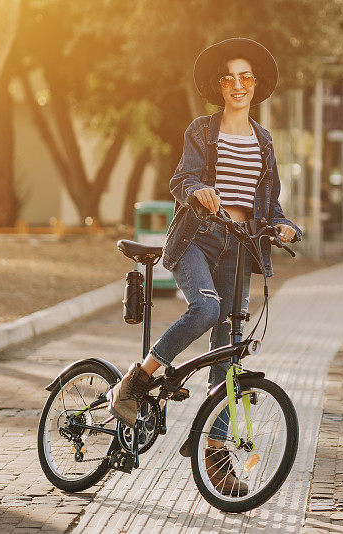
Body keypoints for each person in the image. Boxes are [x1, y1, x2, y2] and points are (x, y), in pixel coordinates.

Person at [106, 38, 301, 494]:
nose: (238, 85)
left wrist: (286, 226)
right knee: (207, 309)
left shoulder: (264, 140)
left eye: (246, 77)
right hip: (198, 237)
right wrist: (198, 191)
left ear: (257, 85)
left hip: (240, 247)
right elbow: (181, 179)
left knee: (230, 351)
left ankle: (214, 455)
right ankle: (136, 381)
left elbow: (270, 205)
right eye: (229, 78)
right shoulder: (202, 129)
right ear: (219, 86)